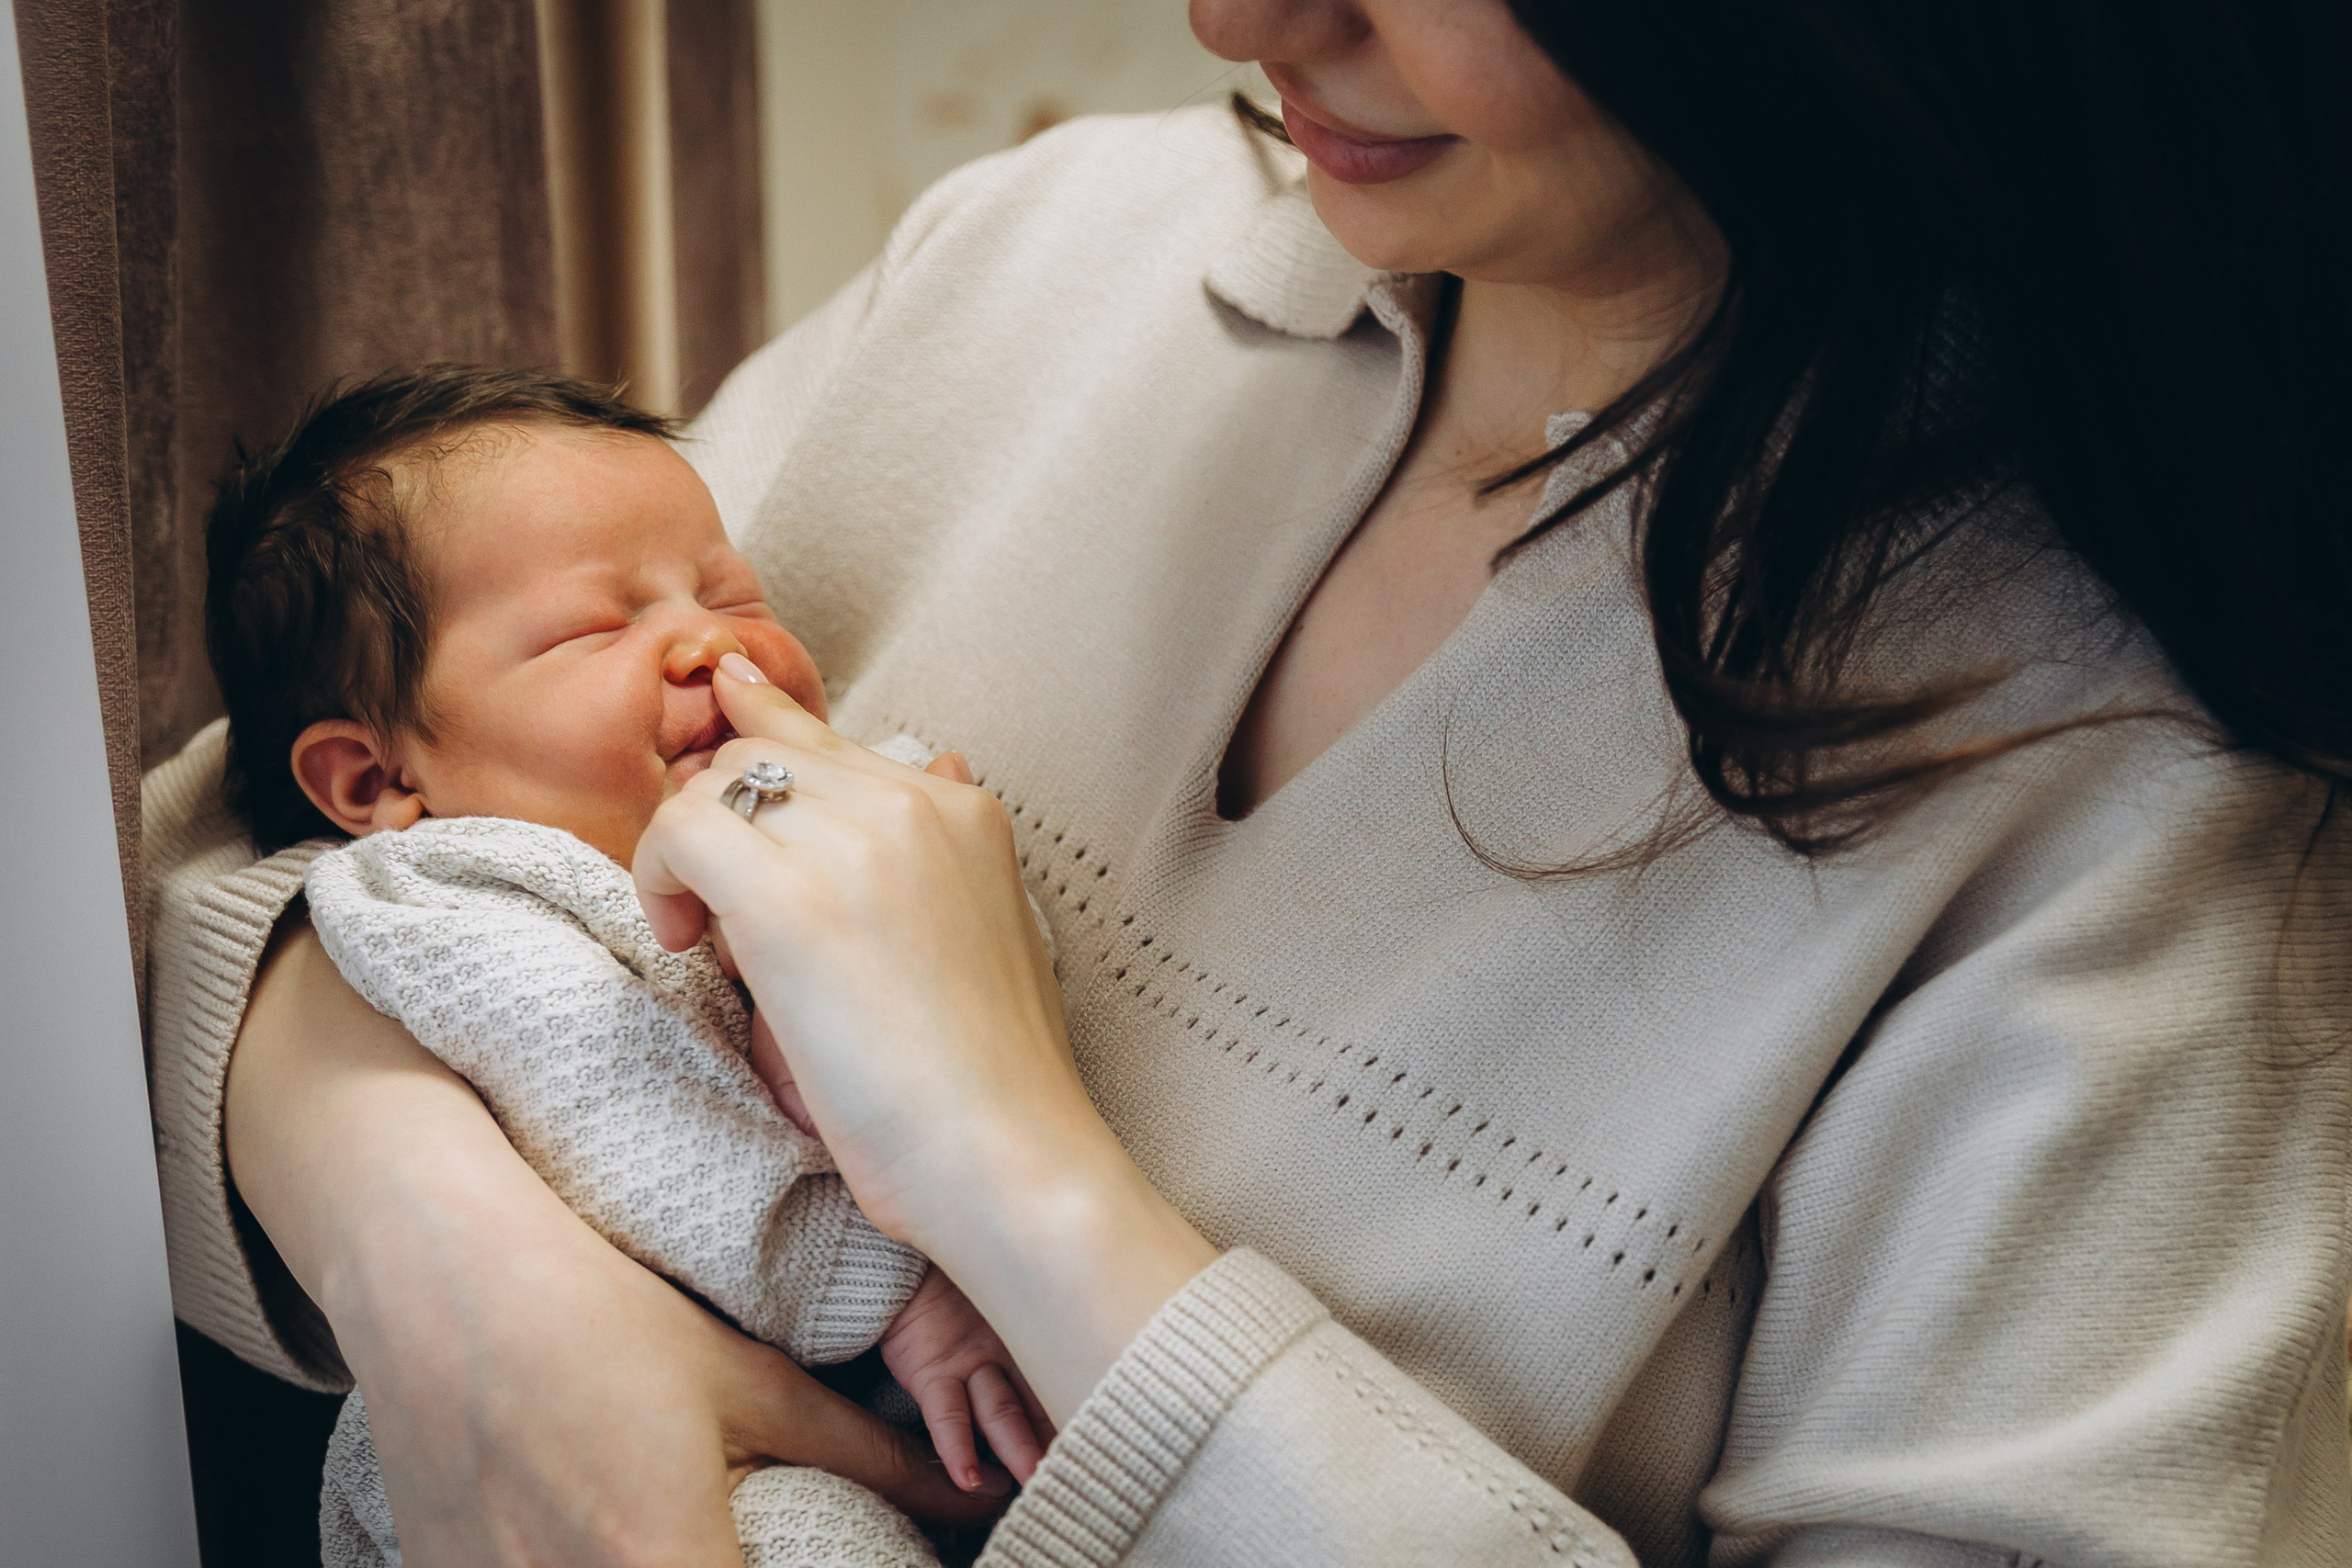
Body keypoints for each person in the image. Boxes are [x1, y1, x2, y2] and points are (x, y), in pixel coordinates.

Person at [143, 3, 2352, 1564]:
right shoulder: (1038, 262)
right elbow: (198, 876)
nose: (1234, 12)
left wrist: (1021, 1172)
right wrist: (446, 1254)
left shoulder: (2134, 807)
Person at [194, 366, 1051, 1564]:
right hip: (606, 1447)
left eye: (724, 589)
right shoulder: (450, 901)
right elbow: (631, 1119)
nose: (710, 641)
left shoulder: (817, 792)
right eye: (596, 627)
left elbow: (997, 996)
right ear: (381, 782)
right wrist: (907, 1298)